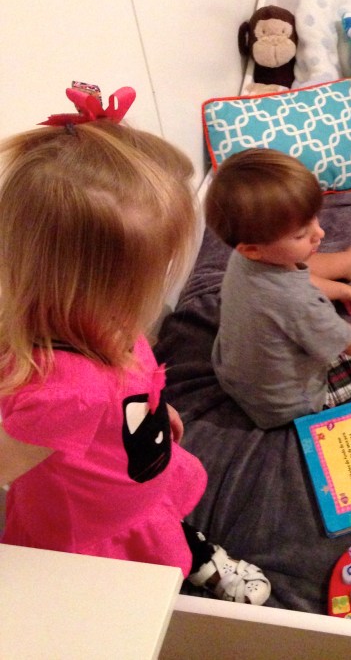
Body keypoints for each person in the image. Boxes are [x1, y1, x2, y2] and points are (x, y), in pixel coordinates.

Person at [0, 86, 270, 605]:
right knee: (128, 577)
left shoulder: (106, 325)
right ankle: (177, 566)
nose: (154, 294)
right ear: (92, 286)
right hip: (96, 515)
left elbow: (131, 374)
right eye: (147, 280)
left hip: (136, 468)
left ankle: (189, 551)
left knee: (160, 524)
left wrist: (155, 406)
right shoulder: (63, 392)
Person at [205, 148, 351, 430]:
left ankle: (348, 265)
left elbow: (294, 278)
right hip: (290, 402)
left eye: (314, 220)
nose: (319, 234)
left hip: (233, 371)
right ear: (253, 249)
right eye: (300, 234)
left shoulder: (244, 256)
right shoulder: (297, 302)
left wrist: (343, 291)